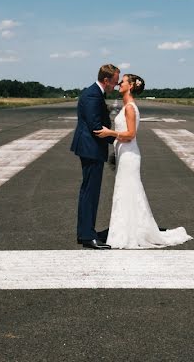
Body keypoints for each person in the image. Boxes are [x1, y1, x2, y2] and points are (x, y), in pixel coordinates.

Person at [95, 74, 192, 249]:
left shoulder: (130, 108)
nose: (119, 84)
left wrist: (110, 133)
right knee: (125, 192)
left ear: (130, 86)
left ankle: (130, 232)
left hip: (129, 156)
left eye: (122, 82)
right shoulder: (126, 106)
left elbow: (131, 135)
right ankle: (125, 229)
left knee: (128, 191)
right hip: (124, 154)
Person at [70, 63, 119, 249]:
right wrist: (118, 139)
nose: (114, 86)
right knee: (90, 192)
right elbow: (96, 127)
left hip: (91, 148)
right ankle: (87, 235)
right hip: (91, 149)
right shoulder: (92, 95)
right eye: (114, 83)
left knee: (90, 192)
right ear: (106, 80)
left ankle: (87, 232)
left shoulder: (95, 93)